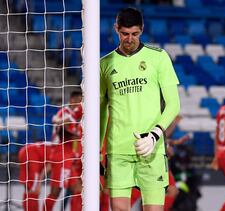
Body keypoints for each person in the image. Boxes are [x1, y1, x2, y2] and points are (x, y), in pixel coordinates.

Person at [100, 7, 180, 211]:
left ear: (142, 30)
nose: (129, 39)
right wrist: (96, 150)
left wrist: (154, 136)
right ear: (116, 29)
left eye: (135, 34)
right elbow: (100, 112)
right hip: (118, 150)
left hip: (151, 148)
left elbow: (173, 105)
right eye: (124, 34)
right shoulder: (104, 65)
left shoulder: (159, 57)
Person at [44, 91, 83, 211]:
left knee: (78, 190)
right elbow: (57, 122)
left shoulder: (76, 117)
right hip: (60, 155)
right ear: (72, 100)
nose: (80, 104)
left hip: (69, 156)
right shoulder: (65, 113)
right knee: (56, 192)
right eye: (79, 101)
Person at [18, 142, 54, 211]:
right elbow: (48, 166)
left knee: (29, 189)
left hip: (25, 150)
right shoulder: (59, 152)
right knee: (34, 191)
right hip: (32, 154)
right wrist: (39, 182)